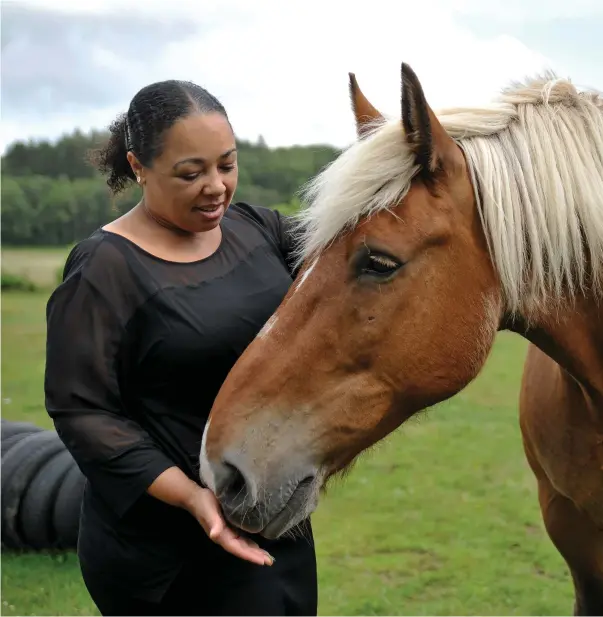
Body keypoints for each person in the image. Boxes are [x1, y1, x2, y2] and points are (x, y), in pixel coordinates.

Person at [44, 79, 318, 616]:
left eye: (227, 164)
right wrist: (194, 499)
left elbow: (346, 261)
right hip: (167, 550)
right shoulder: (104, 269)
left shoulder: (256, 228)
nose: (216, 186)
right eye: (191, 173)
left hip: (265, 509)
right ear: (138, 166)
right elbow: (83, 411)